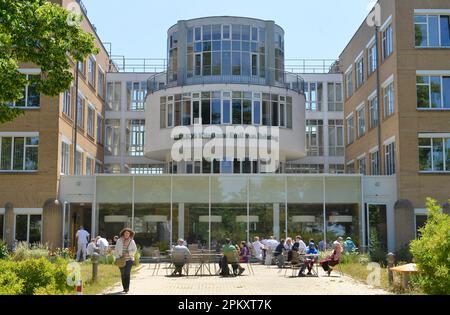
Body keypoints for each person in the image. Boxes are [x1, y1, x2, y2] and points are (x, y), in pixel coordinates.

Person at [114, 228, 137, 293]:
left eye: (128, 233)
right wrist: (118, 257)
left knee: (127, 273)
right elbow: (116, 250)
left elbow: (134, 250)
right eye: (126, 233)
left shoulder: (132, 241)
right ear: (123, 233)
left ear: (130, 234)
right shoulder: (119, 240)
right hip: (121, 260)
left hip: (129, 260)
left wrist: (129, 252)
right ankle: (124, 287)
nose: (127, 234)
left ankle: (127, 288)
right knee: (122, 274)